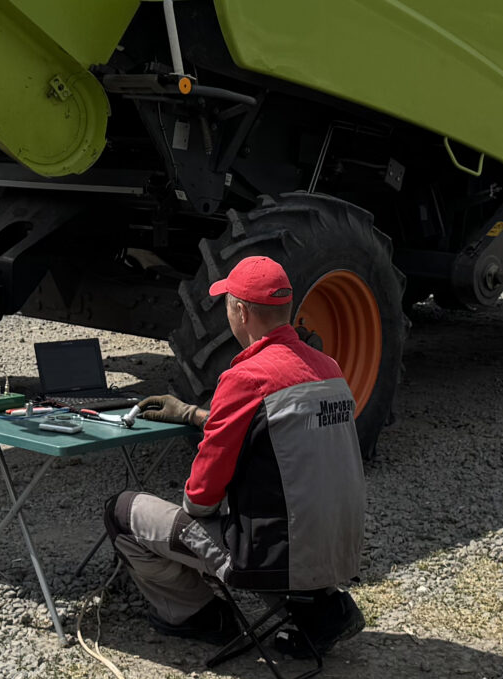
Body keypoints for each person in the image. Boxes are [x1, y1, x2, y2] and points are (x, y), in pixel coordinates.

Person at [107, 254, 366, 650]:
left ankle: (198, 614)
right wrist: (195, 415)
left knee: (121, 511)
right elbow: (281, 431)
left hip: (279, 557)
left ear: (241, 313)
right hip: (336, 548)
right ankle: (320, 608)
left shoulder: (246, 377)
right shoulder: (329, 368)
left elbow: (199, 497)